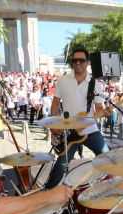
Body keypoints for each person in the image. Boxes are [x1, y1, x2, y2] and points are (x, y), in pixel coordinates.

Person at [44, 47, 109, 189]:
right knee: (61, 165)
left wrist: (105, 112)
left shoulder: (95, 84)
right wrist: (54, 127)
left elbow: (99, 109)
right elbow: (55, 105)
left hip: (90, 129)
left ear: (87, 62)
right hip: (69, 131)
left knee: (107, 157)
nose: (78, 63)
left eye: (81, 60)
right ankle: (48, 192)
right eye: (75, 60)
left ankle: (109, 189)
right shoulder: (63, 81)